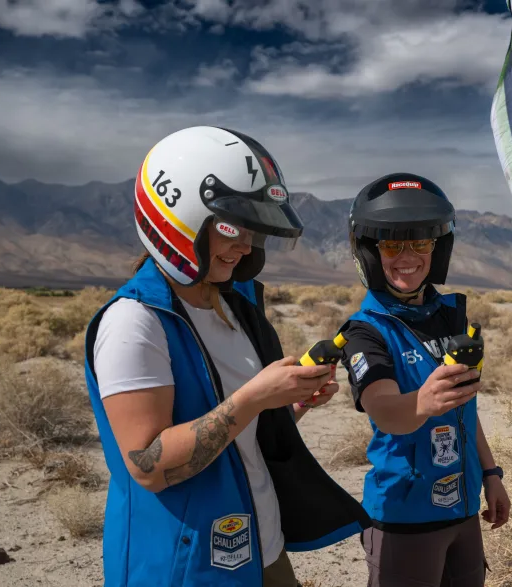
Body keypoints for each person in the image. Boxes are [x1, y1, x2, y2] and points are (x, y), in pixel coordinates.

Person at [83, 125, 370, 586]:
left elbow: (233, 431)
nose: (245, 245)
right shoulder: (134, 323)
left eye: (253, 231)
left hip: (256, 541)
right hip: (185, 562)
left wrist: (287, 403)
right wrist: (255, 397)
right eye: (233, 227)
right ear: (180, 219)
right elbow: (148, 465)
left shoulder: (232, 308)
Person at [337, 173, 511, 587]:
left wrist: (491, 475)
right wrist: (421, 403)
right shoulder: (366, 331)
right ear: (370, 252)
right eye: (392, 245)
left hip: (463, 507)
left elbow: (465, 406)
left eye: (420, 243)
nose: (407, 256)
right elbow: (383, 408)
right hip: (405, 514)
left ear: (438, 248)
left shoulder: (449, 316)